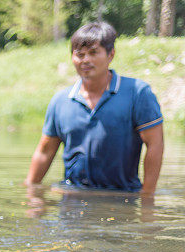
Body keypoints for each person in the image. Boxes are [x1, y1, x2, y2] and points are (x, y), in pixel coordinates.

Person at [24, 22, 164, 195]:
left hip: (122, 196)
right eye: (79, 54)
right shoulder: (61, 101)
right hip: (72, 196)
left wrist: (147, 196)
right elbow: (45, 151)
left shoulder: (137, 93)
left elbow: (155, 144)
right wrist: (31, 193)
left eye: (93, 53)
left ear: (111, 54)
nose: (85, 60)